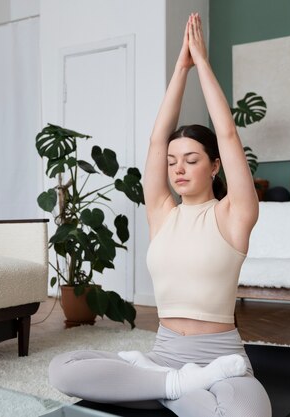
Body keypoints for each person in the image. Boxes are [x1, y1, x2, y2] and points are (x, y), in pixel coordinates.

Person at [48, 13, 272, 416]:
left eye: (190, 159)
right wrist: (179, 70)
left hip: (222, 360)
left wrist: (201, 63)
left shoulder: (234, 214)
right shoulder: (162, 213)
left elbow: (228, 134)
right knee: (61, 369)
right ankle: (175, 383)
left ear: (215, 166)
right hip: (165, 353)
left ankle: (159, 384)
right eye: (173, 162)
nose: (178, 169)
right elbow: (155, 142)